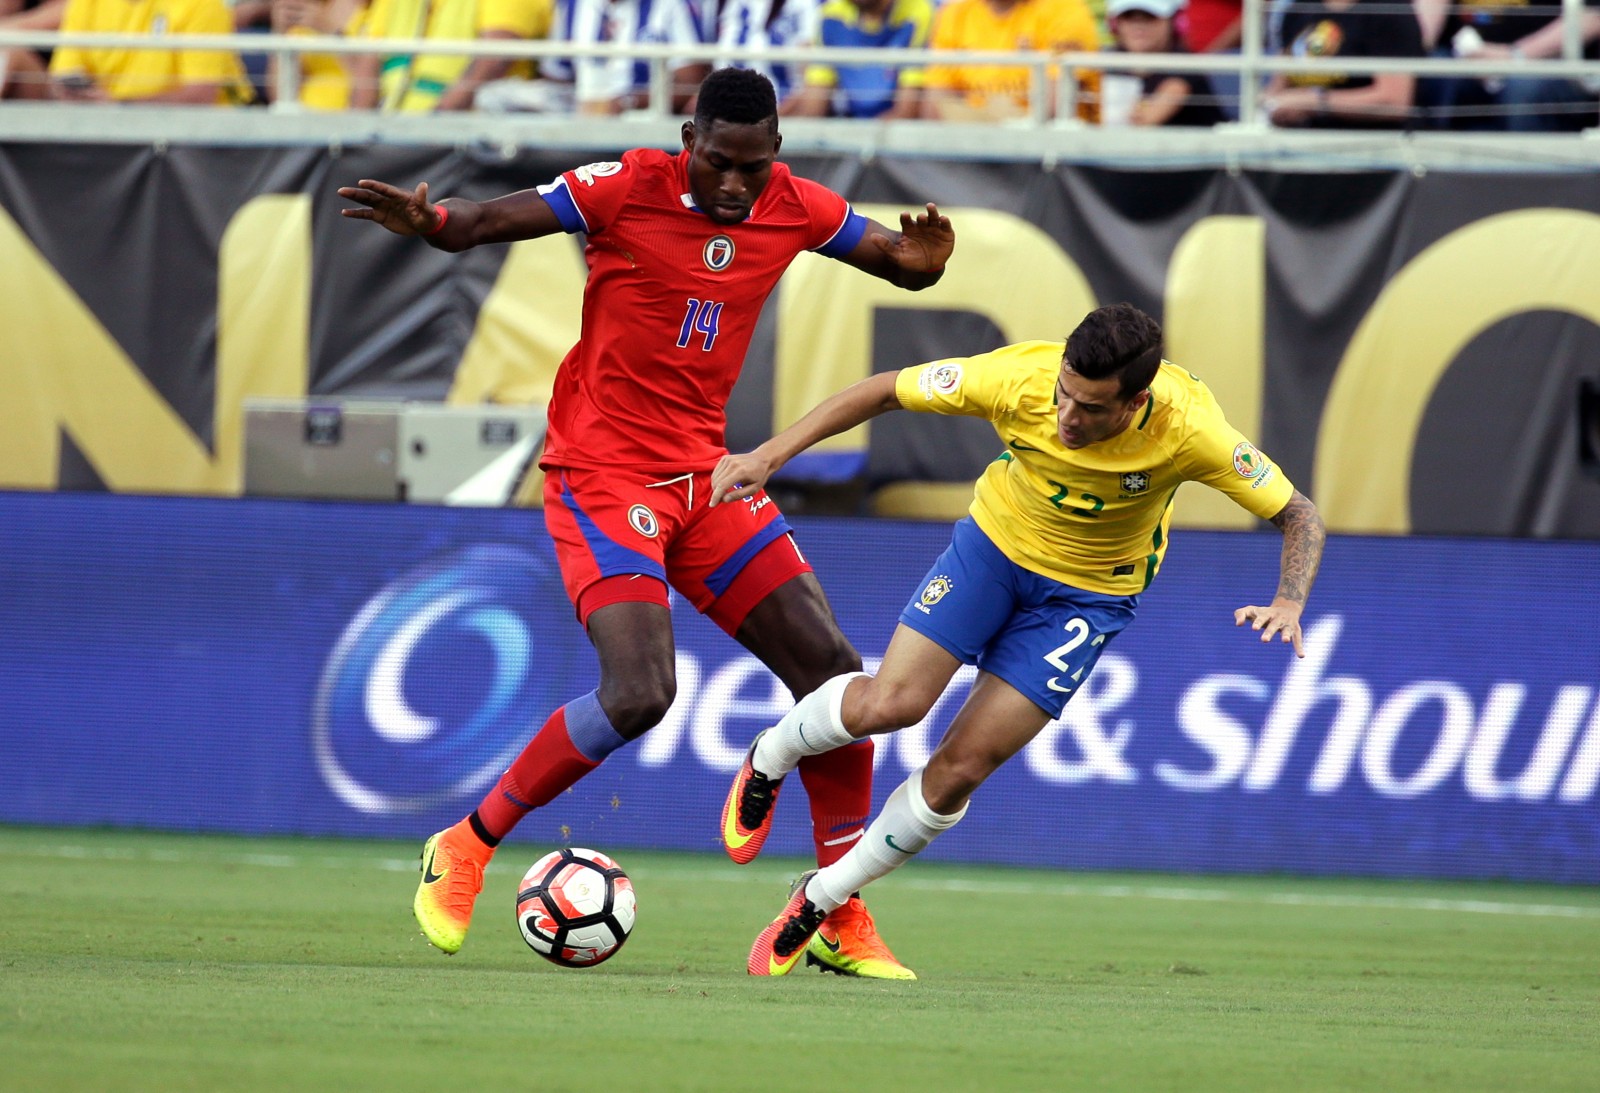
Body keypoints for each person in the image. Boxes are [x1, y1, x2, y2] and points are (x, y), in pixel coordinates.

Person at [338, 67, 954, 979]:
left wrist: (926, 260)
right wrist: (431, 224)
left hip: (707, 478)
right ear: (687, 141)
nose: (733, 185)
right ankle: (465, 842)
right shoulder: (625, 186)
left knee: (833, 672)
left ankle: (835, 905)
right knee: (640, 691)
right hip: (601, 470)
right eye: (716, 163)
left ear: (776, 151)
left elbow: (898, 264)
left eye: (751, 166)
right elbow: (478, 223)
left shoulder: (797, 205)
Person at [709, 303, 1326, 976]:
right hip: (994, 552)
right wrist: (769, 454)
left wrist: (1289, 601)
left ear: (1136, 402)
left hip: (1087, 598)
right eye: (1065, 394)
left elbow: (1299, 512)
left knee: (961, 770)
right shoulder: (1018, 378)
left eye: (1090, 407)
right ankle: (770, 754)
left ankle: (819, 899)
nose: (1066, 417)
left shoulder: (1191, 429)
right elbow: (886, 390)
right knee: (894, 703)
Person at [1414, 0, 1600, 132]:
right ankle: (1426, 173)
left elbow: (1592, 15)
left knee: (1522, 88)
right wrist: (1414, 48)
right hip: (1462, 58)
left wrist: (1513, 56)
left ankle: (1529, 181)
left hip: (1552, 64)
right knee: (1435, 73)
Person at [346, 0, 554, 111]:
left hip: (459, 144)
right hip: (395, 137)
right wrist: (357, 135)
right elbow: (369, 60)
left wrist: (434, 125)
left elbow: (494, 58)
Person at [920, 0, 1100, 122]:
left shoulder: (1064, 10)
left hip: (1049, 158)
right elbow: (934, 108)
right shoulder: (954, 15)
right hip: (970, 152)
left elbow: (1053, 108)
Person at [47, 0, 254, 103]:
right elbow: (63, 72)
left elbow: (200, 95)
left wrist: (121, 109)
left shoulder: (202, 4)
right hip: (113, 131)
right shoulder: (86, 3)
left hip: (210, 142)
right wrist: (79, 93)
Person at [1261, 0, 1423, 128]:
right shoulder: (1299, 9)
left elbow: (1394, 101)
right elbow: (1279, 85)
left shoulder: (1389, 10)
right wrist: (1272, 104)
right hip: (1301, 140)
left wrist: (1314, 103)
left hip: (1370, 145)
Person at [782, 0, 934, 120]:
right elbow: (814, 100)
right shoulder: (830, 16)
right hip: (853, 131)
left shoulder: (919, 11)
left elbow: (907, 110)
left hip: (902, 140)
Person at [1101, 0, 1224, 127]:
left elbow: (1144, 122)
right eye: (1128, 16)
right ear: (1114, 24)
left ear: (1176, 22)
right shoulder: (1108, 60)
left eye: (1150, 17)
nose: (1138, 26)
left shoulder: (1184, 66)